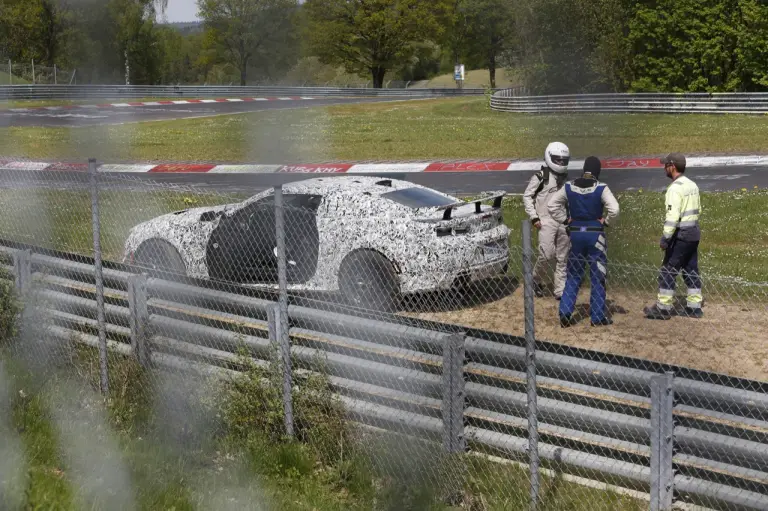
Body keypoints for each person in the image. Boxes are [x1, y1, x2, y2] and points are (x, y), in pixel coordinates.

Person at [548, 156, 620, 327]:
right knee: (598, 276)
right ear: (598, 171)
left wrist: (565, 220)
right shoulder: (601, 187)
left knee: (573, 275)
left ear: (584, 169)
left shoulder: (569, 186)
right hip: (595, 236)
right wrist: (607, 221)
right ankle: (597, 317)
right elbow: (615, 209)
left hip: (576, 236)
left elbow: (552, 205)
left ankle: (565, 312)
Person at [644, 153, 703, 320]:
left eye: (666, 165)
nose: (664, 168)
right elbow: (698, 210)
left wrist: (665, 239)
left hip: (681, 235)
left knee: (668, 270)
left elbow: (672, 218)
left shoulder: (674, 189)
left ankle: (663, 308)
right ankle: (694, 307)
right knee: (691, 270)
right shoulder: (692, 185)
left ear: (672, 167)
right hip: (694, 233)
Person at [523, 141, 571, 300]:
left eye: (563, 160)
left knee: (563, 257)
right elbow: (527, 196)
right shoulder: (540, 176)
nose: (561, 163)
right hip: (545, 220)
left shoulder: (566, 178)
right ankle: (535, 280)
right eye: (558, 160)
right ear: (549, 157)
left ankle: (560, 291)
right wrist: (534, 216)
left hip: (563, 221)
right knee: (546, 254)